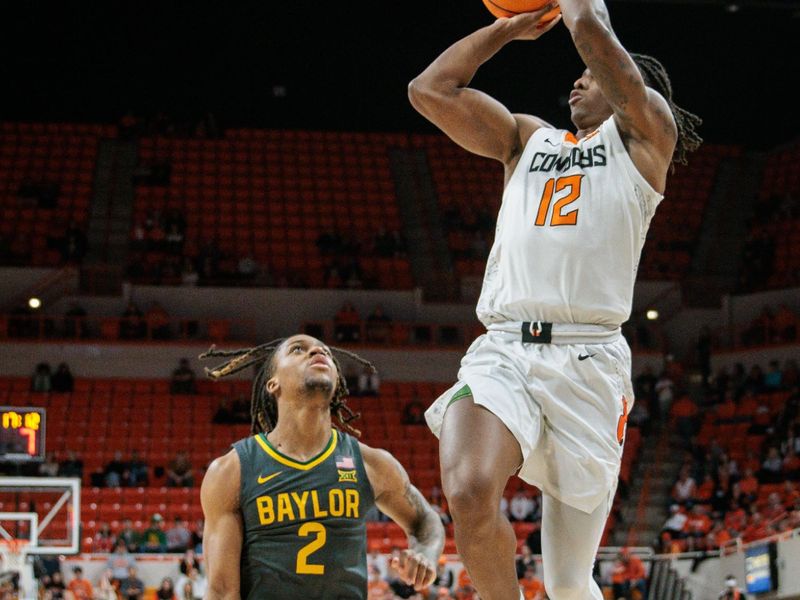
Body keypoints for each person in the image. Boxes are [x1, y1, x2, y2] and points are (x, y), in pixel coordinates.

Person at [408, 0, 701, 597]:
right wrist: (504, 30)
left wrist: (579, 9)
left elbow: (593, 34)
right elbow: (429, 90)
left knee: (568, 581)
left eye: (592, 75)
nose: (577, 78)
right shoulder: (528, 140)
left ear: (627, 87)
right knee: (466, 489)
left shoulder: (647, 140)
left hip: (588, 362)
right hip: (505, 349)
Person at [198, 334, 444, 599]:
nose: (316, 350)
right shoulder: (232, 471)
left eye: (324, 350)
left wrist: (425, 554)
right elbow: (222, 591)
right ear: (273, 383)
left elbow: (424, 521)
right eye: (297, 349)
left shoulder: (370, 463)